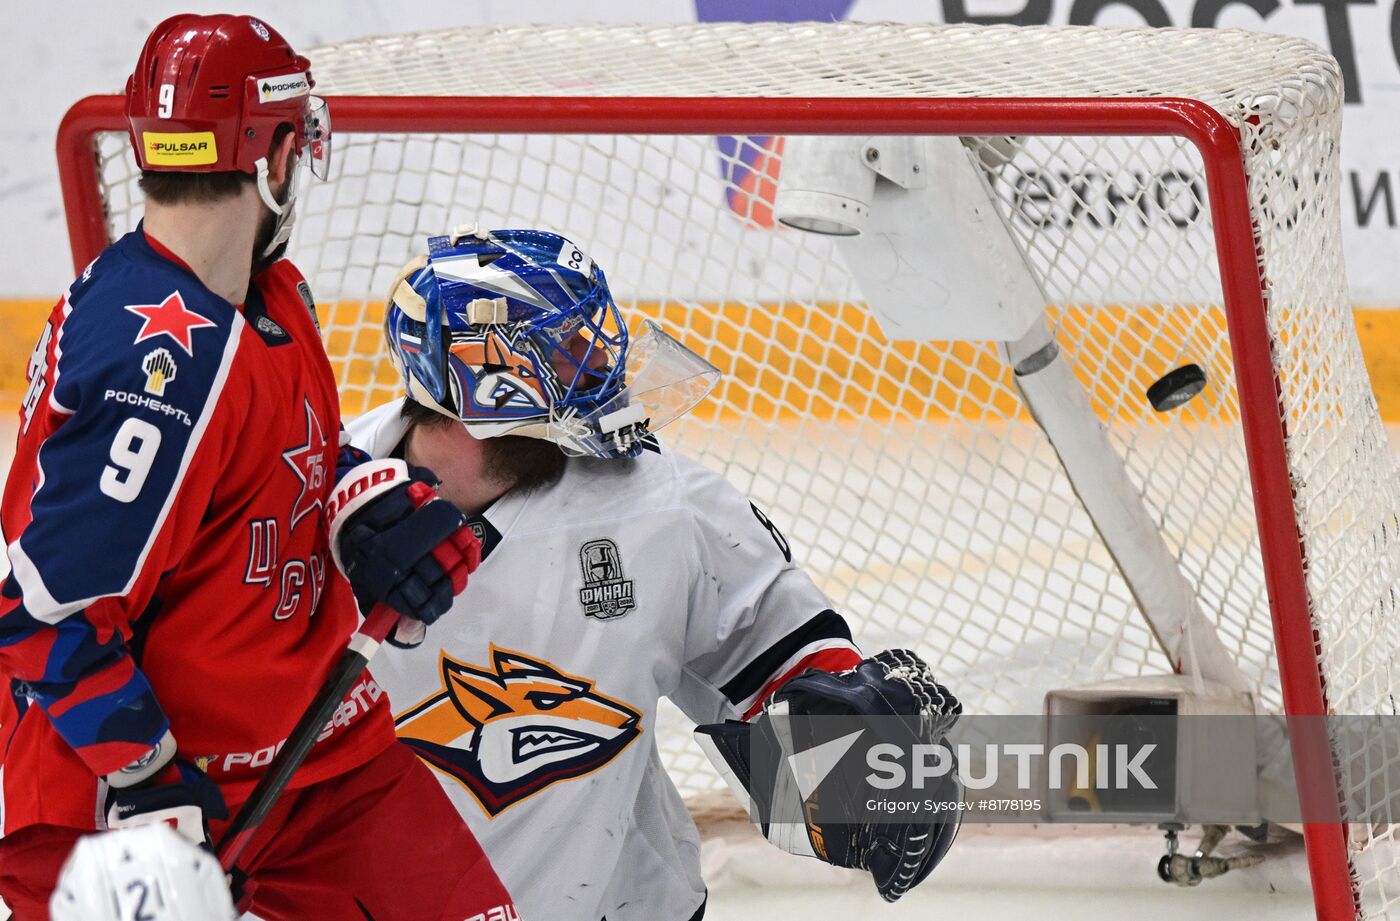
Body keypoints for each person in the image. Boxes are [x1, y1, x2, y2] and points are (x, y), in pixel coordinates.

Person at [0, 16, 515, 921]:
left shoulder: (274, 294)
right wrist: (151, 782)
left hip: (316, 763)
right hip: (127, 799)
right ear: (276, 154)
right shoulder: (152, 364)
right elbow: (45, 611)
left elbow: (296, 462)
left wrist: (373, 504)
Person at [351, 226, 964, 921]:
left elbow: (779, 654)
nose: (601, 379)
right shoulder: (302, 506)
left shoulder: (662, 503)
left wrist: (854, 762)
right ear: (484, 380)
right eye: (569, 356)